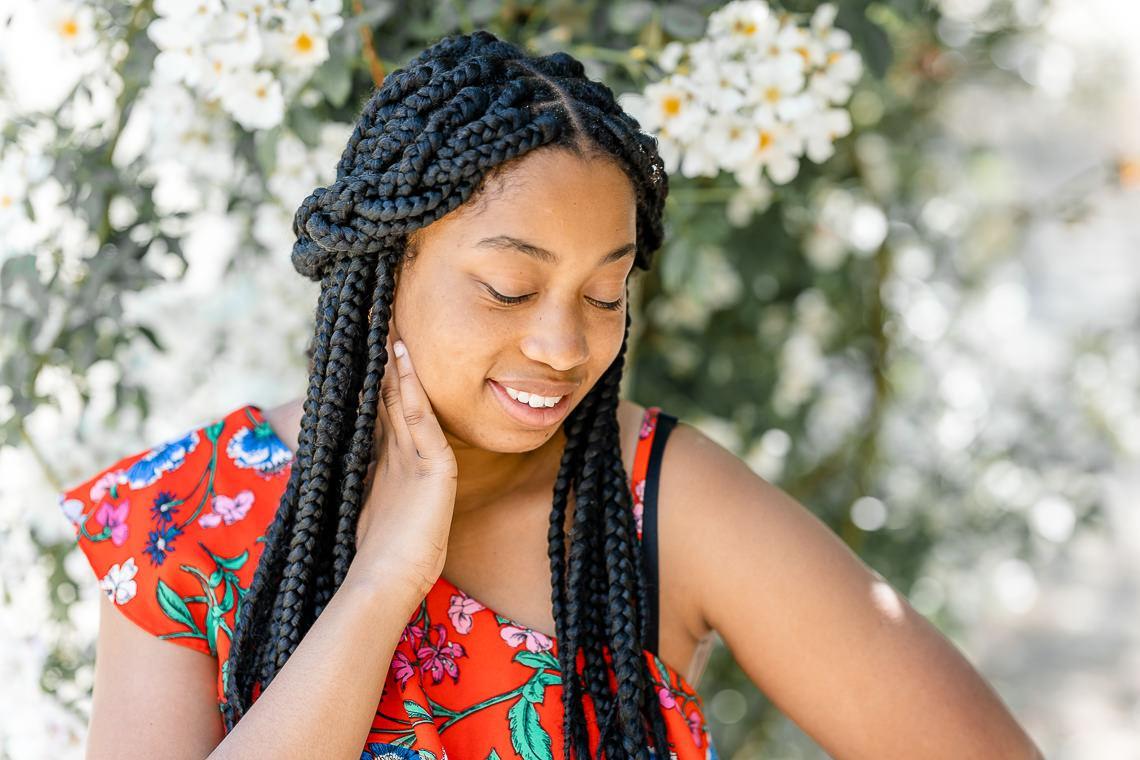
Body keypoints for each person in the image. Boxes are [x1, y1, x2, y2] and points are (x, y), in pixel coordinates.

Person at [59, 29, 1044, 760]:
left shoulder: (661, 501)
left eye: (604, 294)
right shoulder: (189, 515)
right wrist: (379, 585)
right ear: (384, 268)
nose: (564, 344)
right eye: (510, 288)